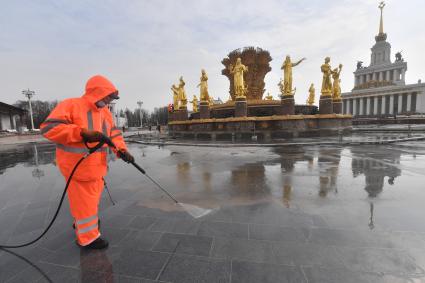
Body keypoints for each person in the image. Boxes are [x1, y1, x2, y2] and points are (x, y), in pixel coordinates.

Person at [40, 75, 134, 250]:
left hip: (97, 168)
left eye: (111, 99)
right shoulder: (71, 105)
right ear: (97, 92)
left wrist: (121, 150)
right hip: (77, 167)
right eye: (108, 97)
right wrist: (81, 133)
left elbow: (113, 134)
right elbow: (48, 128)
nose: (108, 101)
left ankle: (83, 226)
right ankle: (88, 238)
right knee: (85, 204)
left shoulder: (104, 112)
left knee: (90, 202)